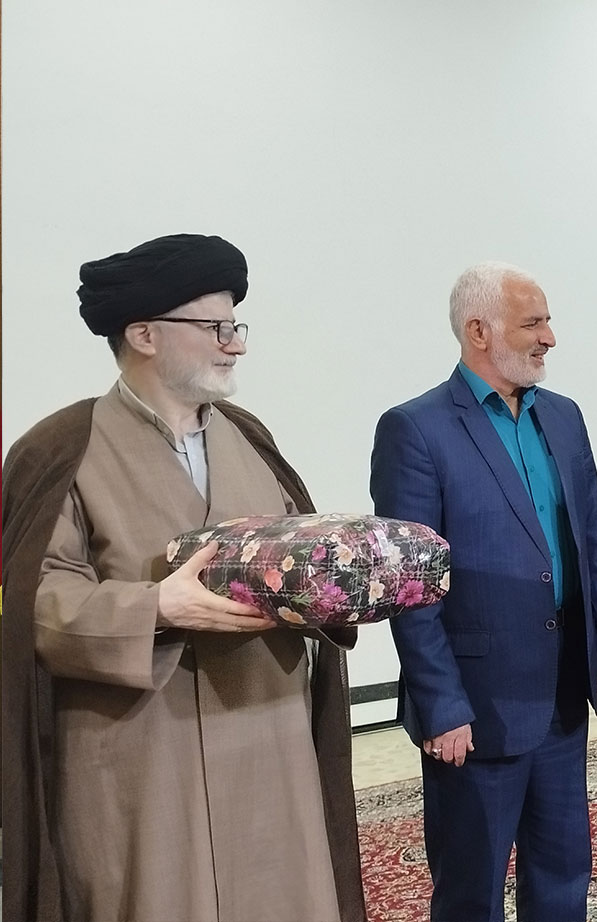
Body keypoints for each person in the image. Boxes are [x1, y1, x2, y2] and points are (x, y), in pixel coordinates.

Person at [0, 234, 365, 922]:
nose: (236, 345)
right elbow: (38, 601)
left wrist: (347, 582)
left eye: (237, 326)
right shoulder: (62, 449)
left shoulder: (249, 437)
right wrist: (156, 607)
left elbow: (296, 557)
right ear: (144, 334)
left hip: (267, 738)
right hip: (143, 757)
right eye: (216, 327)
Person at [370, 261, 597, 920]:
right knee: (471, 890)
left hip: (561, 694)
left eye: (547, 321)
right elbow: (410, 586)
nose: (549, 338)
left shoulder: (564, 418)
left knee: (563, 873)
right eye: (533, 322)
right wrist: (440, 705)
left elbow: (592, 544)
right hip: (474, 707)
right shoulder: (416, 428)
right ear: (479, 330)